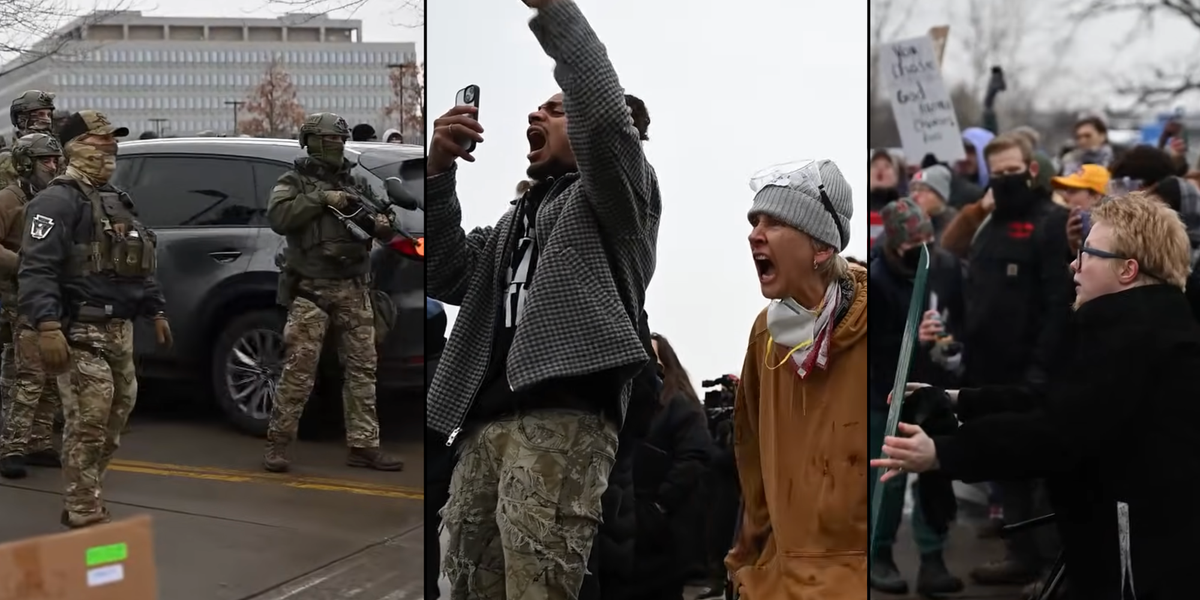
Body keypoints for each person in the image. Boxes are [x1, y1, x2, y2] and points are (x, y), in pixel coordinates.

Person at [425, 0, 661, 597]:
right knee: (463, 584)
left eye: (556, 110)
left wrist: (555, 12)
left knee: (540, 586)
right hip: (483, 422)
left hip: (564, 414)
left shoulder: (617, 202)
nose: (536, 112)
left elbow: (605, 118)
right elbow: (446, 271)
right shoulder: (513, 221)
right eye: (539, 108)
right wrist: (437, 169)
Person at [874, 191, 1200, 600]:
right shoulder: (1132, 326)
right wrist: (959, 398)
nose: (1073, 265)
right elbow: (1057, 400)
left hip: (1135, 556)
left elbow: (1056, 433)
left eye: (1088, 254)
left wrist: (944, 452)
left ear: (1128, 270)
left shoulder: (1136, 340)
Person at [17, 110, 172, 528]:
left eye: (111, 145)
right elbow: (37, 269)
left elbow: (139, 261)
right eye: (98, 144)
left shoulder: (116, 200)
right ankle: (82, 508)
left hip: (118, 329)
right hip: (79, 328)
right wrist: (47, 326)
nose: (109, 152)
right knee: (90, 418)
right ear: (73, 149)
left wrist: (154, 308)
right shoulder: (54, 201)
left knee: (115, 418)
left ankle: (87, 492)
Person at [726, 159, 865, 599]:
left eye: (775, 222)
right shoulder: (764, 333)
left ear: (821, 249)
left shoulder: (878, 318)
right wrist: (743, 560)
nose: (754, 234)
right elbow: (751, 459)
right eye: (754, 222)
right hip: (779, 580)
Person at [264, 112, 403, 473]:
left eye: (341, 139)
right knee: (298, 371)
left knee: (363, 369)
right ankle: (277, 445)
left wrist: (380, 222)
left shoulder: (357, 182)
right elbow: (279, 217)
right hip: (311, 290)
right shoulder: (293, 181)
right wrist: (323, 199)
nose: (338, 145)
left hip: (355, 288)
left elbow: (387, 223)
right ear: (311, 142)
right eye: (331, 139)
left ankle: (364, 445)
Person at [867, 198, 965, 596]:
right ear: (895, 244)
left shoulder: (945, 266)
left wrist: (950, 344)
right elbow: (870, 345)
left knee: (934, 474)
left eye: (929, 240)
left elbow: (961, 315)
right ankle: (879, 553)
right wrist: (912, 339)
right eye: (915, 244)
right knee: (888, 480)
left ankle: (933, 556)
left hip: (933, 389)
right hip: (887, 394)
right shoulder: (877, 279)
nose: (925, 250)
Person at [627, 333, 712, 600]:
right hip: (631, 528)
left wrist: (659, 506)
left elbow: (695, 455)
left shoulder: (679, 404)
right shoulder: (633, 404)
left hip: (662, 532)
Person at [0, 133, 65, 479]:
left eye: (55, 160)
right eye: (46, 160)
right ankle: (12, 446)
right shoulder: (9, 199)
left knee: (52, 373)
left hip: (51, 295)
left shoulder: (55, 197)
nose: (53, 166)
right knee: (30, 374)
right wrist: (23, 263)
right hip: (21, 296)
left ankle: (39, 441)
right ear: (26, 163)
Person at [1, 90, 56, 190]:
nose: (47, 120)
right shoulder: (7, 158)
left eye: (49, 115)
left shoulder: (60, 151)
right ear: (21, 118)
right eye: (40, 114)